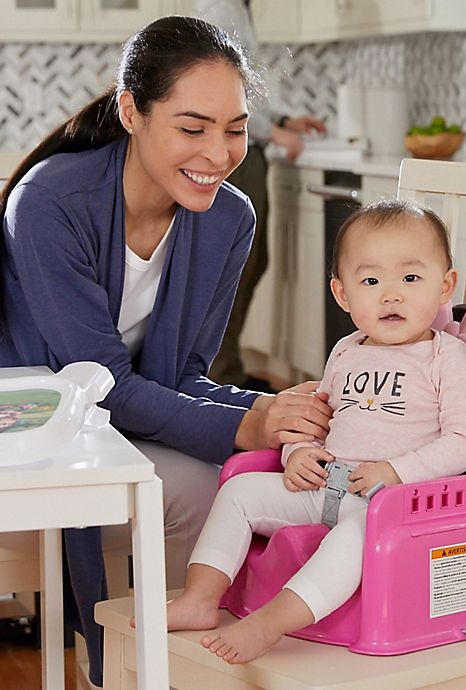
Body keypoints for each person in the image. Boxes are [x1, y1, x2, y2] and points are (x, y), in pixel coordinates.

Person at [0, 15, 331, 686]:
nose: (218, 153)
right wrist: (248, 420)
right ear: (131, 111)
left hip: (110, 421)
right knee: (204, 472)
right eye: (192, 127)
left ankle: (164, 665)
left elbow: (180, 376)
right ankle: (114, 664)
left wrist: (271, 409)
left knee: (221, 483)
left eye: (235, 129)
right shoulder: (49, 202)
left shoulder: (229, 218)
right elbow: (99, 380)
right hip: (31, 424)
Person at [162, 199, 466, 664]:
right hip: (328, 487)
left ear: (445, 287)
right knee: (239, 492)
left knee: (354, 538)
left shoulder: (445, 357)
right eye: (371, 281)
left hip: (394, 507)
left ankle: (271, 623)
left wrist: (398, 471)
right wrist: (297, 450)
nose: (391, 295)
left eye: (411, 279)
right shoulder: (346, 350)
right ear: (342, 294)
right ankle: (199, 598)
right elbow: (316, 417)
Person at [198, 0, 327, 391]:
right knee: (234, 266)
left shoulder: (233, 7)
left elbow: (243, 84)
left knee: (248, 262)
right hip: (237, 152)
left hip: (246, 148)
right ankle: (218, 377)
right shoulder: (221, 7)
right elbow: (222, 88)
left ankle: (223, 371)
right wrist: (272, 131)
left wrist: (281, 121)